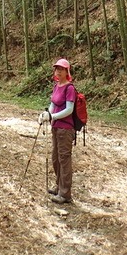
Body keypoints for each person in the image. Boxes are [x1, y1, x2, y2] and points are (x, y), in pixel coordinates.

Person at [38, 58, 76, 204]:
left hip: (65, 129)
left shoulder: (69, 88)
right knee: (55, 158)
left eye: (61, 69)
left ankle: (65, 194)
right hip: (55, 128)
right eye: (56, 69)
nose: (58, 71)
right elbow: (53, 104)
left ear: (67, 71)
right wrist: (45, 115)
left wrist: (52, 116)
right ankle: (59, 186)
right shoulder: (57, 86)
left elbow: (69, 109)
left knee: (64, 160)